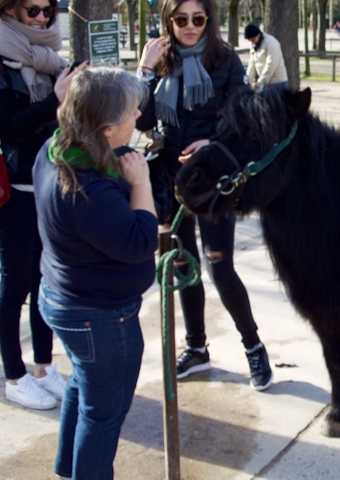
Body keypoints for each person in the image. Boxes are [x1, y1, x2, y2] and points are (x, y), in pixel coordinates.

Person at [137, 0, 273, 390]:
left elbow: (244, 118)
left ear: (208, 20)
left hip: (213, 179)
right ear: (169, 20)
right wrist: (145, 71)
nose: (191, 26)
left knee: (220, 267)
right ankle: (196, 347)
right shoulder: (158, 56)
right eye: (182, 19)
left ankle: (253, 346)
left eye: (199, 19)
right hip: (171, 179)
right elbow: (142, 118)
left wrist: (209, 143)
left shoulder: (225, 58)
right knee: (184, 265)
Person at [34, 67, 157, 480]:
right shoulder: (87, 188)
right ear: (106, 129)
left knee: (82, 388)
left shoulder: (54, 149)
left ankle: (68, 470)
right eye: (130, 111)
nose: (138, 114)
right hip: (99, 317)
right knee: (103, 415)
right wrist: (141, 184)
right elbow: (141, 241)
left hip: (64, 299)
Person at [0, 0, 74, 410]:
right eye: (33, 10)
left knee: (42, 280)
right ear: (8, 10)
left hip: (47, 182)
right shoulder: (2, 55)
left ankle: (44, 368)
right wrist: (54, 101)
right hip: (13, 189)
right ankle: (14, 375)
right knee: (12, 287)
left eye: (49, 9)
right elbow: (7, 127)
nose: (43, 18)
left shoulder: (49, 59)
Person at [244, 23, 288, 91]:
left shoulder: (271, 43)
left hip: (278, 83)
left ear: (258, 35)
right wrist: (247, 82)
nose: (252, 43)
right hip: (266, 84)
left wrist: (260, 81)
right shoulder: (254, 45)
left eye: (253, 40)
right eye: (250, 41)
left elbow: (271, 64)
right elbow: (251, 65)